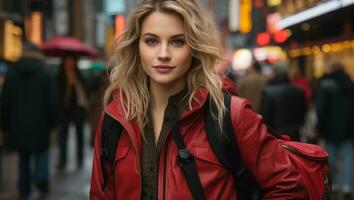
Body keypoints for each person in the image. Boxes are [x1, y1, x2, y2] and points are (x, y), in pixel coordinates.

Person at [90, 0, 309, 199]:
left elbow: (289, 186)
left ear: (194, 48)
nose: (163, 53)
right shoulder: (115, 117)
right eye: (151, 41)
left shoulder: (229, 114)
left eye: (177, 42)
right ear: (137, 47)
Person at [0, 41, 57, 199]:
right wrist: (53, 123)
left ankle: (24, 189)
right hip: (41, 126)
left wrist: (5, 125)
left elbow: (5, 102)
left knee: (23, 158)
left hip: (18, 126)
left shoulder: (11, 73)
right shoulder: (46, 74)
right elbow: (52, 101)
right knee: (42, 153)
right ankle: (41, 179)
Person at [315, 61, 354, 199]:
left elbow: (320, 109)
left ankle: (335, 183)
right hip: (349, 128)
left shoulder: (325, 84)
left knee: (330, 157)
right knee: (348, 157)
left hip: (329, 127)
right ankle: (346, 185)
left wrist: (319, 128)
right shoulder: (351, 84)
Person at [57, 55, 88, 170]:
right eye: (67, 61)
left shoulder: (79, 76)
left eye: (71, 61)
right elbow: (58, 93)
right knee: (63, 137)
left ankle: (80, 159)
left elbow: (86, 89)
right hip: (64, 110)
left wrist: (75, 83)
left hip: (77, 110)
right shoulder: (60, 77)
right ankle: (62, 160)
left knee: (79, 135)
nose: (69, 64)